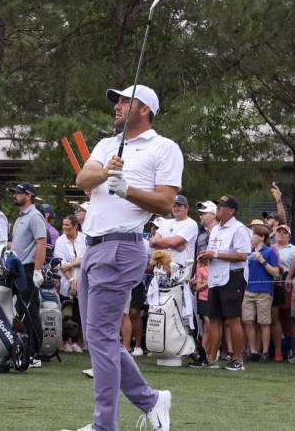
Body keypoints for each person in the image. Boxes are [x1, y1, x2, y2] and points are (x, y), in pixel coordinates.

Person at [71, 84, 179, 431]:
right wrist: (107, 173)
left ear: (144, 109)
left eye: (124, 101)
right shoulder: (106, 144)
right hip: (94, 246)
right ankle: (151, 400)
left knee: (101, 337)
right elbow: (82, 177)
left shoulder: (164, 148)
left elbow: (165, 203)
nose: (116, 106)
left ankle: (105, 425)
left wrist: (127, 188)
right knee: (98, 337)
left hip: (122, 245)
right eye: (116, 101)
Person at [197, 195, 251, 371]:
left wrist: (215, 255)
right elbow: (214, 253)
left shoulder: (239, 229)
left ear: (231, 211)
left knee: (232, 319)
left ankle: (237, 359)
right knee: (213, 319)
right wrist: (206, 257)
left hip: (233, 276)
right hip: (216, 277)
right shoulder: (215, 230)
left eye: (221, 207)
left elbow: (243, 255)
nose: (218, 209)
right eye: (218, 206)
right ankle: (211, 358)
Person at [8, 182, 47, 367]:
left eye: (18, 193)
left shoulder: (35, 216)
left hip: (30, 268)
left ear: (28, 195)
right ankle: (25, 350)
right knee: (21, 311)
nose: (15, 195)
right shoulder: (20, 217)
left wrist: (38, 270)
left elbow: (41, 243)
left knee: (31, 311)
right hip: (18, 269)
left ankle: (35, 354)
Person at [242, 220, 279, 362]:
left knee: (264, 322)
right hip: (248, 290)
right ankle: (253, 351)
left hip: (264, 291)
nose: (251, 237)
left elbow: (276, 272)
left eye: (253, 234)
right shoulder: (248, 252)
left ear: (262, 237)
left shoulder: (270, 252)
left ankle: (264, 352)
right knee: (248, 321)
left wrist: (262, 260)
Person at [189, 200, 219, 367]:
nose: (200, 215)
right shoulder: (202, 235)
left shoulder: (219, 232)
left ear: (214, 214)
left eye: (204, 212)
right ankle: (205, 354)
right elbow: (198, 259)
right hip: (201, 279)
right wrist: (195, 275)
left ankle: (211, 356)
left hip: (216, 281)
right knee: (204, 322)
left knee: (211, 321)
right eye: (200, 212)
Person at [54, 215, 86, 353]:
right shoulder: (60, 241)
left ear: (75, 226)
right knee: (65, 311)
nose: (64, 227)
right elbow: (61, 264)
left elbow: (85, 259)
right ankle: (65, 340)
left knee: (79, 312)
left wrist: (71, 264)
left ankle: (76, 341)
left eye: (67, 225)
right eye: (63, 224)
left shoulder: (84, 239)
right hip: (65, 281)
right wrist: (72, 280)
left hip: (82, 280)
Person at [272, 224, 295, 362]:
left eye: (284, 232)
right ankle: (277, 350)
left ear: (289, 235)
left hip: (287, 283)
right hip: (272, 284)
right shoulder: (269, 248)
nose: (281, 234)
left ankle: (292, 347)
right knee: (274, 318)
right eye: (279, 231)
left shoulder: (293, 250)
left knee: (288, 317)